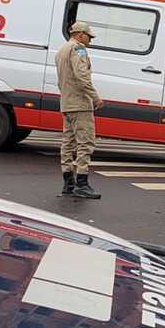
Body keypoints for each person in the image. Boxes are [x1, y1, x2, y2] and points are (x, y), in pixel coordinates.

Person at [56, 21, 103, 199]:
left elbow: (62, 80)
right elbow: (82, 75)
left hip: (67, 103)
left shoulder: (61, 50)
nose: (90, 40)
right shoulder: (78, 49)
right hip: (80, 104)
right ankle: (82, 183)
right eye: (89, 36)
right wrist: (95, 97)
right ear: (81, 34)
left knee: (68, 143)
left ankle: (68, 182)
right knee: (85, 143)